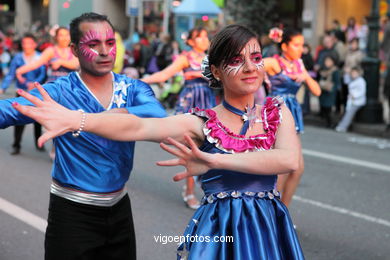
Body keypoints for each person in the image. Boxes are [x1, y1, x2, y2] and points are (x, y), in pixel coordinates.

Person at [13, 24, 304, 260]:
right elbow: (139, 125)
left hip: (268, 225)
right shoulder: (202, 122)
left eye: (256, 58)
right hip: (220, 230)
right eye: (236, 61)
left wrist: (214, 159)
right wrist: (79, 120)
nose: (251, 68)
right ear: (216, 71)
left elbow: (288, 161)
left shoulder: (277, 112)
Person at [0, 12, 166, 260]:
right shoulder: (60, 92)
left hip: (120, 209)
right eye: (93, 44)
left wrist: (113, 114)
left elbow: (158, 117)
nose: (104, 51)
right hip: (72, 216)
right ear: (75, 50)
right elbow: (7, 111)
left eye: (110, 43)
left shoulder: (132, 88)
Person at [143, 27, 216, 210]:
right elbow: (165, 74)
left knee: (210, 147)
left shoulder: (211, 59)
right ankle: (190, 191)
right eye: (201, 36)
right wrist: (142, 81)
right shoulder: (185, 58)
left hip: (208, 102)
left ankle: (207, 189)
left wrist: (200, 74)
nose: (205, 40)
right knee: (193, 148)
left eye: (206, 36)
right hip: (191, 102)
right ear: (191, 41)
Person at [263, 28, 321, 207]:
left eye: (302, 45)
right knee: (284, 167)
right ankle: (272, 212)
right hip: (277, 113)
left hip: (293, 114)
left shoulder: (299, 64)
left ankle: (282, 211)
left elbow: (317, 91)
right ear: (284, 46)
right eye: (296, 45)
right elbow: (249, 68)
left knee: (297, 169)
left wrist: (305, 76)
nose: (300, 49)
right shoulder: (274, 62)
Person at [16, 26, 79, 160]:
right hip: (54, 90)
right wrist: (20, 70)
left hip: (70, 90)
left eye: (66, 35)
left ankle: (61, 148)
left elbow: (75, 64)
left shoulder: (74, 50)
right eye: (61, 35)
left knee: (68, 120)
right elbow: (37, 63)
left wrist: (61, 61)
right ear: (56, 37)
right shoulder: (51, 50)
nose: (64, 38)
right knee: (54, 119)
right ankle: (55, 146)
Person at [0, 33, 47, 155]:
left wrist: (35, 83)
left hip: (36, 93)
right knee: (18, 118)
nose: (26, 46)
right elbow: (11, 73)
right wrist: (3, 87)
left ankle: (39, 142)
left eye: (29, 43)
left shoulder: (40, 57)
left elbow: (43, 73)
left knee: (38, 120)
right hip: (21, 92)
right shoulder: (17, 57)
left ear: (34, 44)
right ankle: (16, 145)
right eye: (24, 43)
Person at [335, 67, 366, 132]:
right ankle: (345, 126)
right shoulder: (351, 79)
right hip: (351, 101)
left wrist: (354, 96)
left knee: (349, 114)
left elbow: (362, 92)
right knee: (348, 113)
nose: (353, 74)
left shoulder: (361, 81)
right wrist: (346, 72)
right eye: (352, 73)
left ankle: (342, 127)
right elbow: (346, 81)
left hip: (357, 101)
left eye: (355, 73)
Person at [318, 55, 341, 128]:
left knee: (329, 108)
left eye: (329, 61)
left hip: (330, 92)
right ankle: (327, 122)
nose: (327, 63)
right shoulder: (323, 70)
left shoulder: (335, 71)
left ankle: (331, 123)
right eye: (326, 61)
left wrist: (332, 88)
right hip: (324, 91)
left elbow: (337, 82)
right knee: (324, 107)